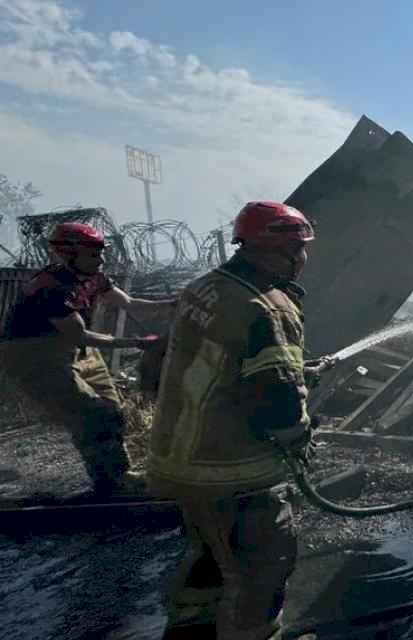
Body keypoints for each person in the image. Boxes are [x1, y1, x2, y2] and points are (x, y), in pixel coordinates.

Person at [148, 201, 317, 640]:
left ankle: (191, 630)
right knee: (263, 568)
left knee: (210, 555)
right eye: (301, 250)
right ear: (284, 251)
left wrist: (290, 371)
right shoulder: (268, 307)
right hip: (232, 472)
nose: (303, 260)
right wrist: (300, 437)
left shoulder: (205, 288)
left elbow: (172, 365)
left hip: (179, 458)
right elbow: (277, 402)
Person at [0, 222, 171, 494]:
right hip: (33, 354)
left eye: (100, 253)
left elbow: (128, 303)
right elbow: (80, 335)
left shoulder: (95, 276)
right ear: (68, 255)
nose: (101, 260)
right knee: (91, 413)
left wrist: (174, 303)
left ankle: (117, 476)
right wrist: (139, 343)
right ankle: (111, 484)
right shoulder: (50, 288)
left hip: (76, 349)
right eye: (93, 255)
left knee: (111, 410)